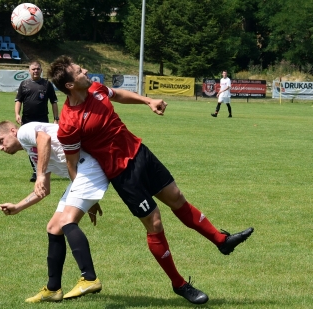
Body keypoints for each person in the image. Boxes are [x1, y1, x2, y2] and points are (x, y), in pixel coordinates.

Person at [47, 56, 254, 305]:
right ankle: (179, 284)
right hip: (121, 175)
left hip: (140, 153)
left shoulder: (95, 88)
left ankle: (222, 241)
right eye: (79, 71)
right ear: (70, 85)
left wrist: (148, 100)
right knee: (154, 223)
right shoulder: (68, 123)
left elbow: (118, 95)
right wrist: (85, 200)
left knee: (177, 198)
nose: (86, 71)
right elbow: (72, 165)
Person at [0, 120, 109, 303]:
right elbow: (43, 190)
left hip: (89, 167)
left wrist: (39, 175)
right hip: (81, 174)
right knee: (54, 227)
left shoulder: (24, 131)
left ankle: (89, 278)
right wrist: (18, 207)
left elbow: (44, 138)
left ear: (12, 131)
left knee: (66, 221)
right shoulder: (33, 151)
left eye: (1, 140)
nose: (1, 147)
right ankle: (53, 289)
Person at [15, 61, 59, 182]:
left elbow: (54, 102)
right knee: (30, 147)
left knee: (42, 145)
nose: (36, 71)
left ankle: (42, 170)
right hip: (27, 120)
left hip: (42, 121)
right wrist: (17, 114)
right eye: (33, 69)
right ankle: (36, 171)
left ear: (41, 70)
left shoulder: (47, 84)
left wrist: (56, 118)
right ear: (29, 70)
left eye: (38, 69)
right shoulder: (24, 84)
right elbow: (18, 100)